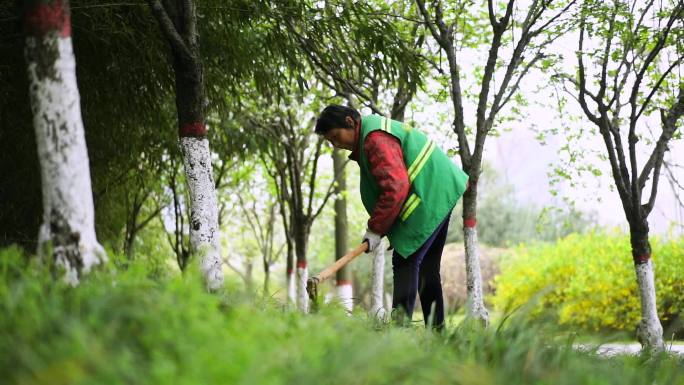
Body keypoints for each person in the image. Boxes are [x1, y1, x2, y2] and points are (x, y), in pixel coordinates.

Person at [314, 104, 469, 329]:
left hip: (429, 196)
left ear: (350, 122)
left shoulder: (374, 139)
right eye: (331, 142)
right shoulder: (372, 133)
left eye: (336, 137)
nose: (337, 145)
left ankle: (398, 334)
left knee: (405, 261)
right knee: (426, 268)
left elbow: (395, 187)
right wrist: (382, 228)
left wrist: (376, 228)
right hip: (438, 192)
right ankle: (438, 333)